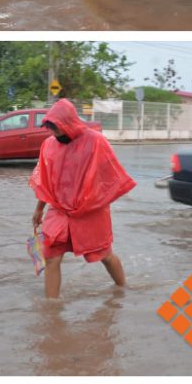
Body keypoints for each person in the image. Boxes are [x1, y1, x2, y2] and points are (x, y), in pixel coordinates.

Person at [29, 99, 136, 299]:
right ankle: (51, 309)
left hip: (90, 212)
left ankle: (122, 289)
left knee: (104, 255)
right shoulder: (49, 145)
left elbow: (110, 177)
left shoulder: (95, 142)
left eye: (57, 129)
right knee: (51, 257)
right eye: (51, 129)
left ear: (68, 123)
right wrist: (39, 209)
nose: (54, 134)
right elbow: (44, 180)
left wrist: (93, 200)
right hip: (59, 210)